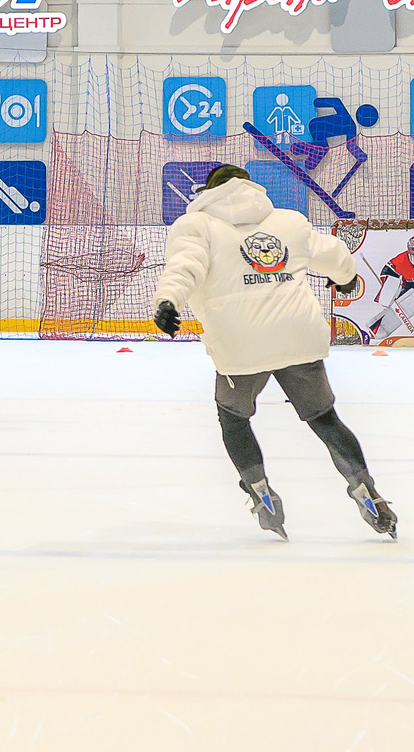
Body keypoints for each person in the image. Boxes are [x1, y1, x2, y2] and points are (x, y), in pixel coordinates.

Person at [153, 165, 397, 540]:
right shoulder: (288, 221)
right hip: (299, 337)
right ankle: (365, 489)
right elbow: (333, 253)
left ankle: (260, 490)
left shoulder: (197, 225)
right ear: (251, 188)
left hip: (241, 345)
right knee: (324, 418)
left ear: (209, 191)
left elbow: (185, 267)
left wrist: (168, 302)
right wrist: (346, 277)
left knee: (233, 419)